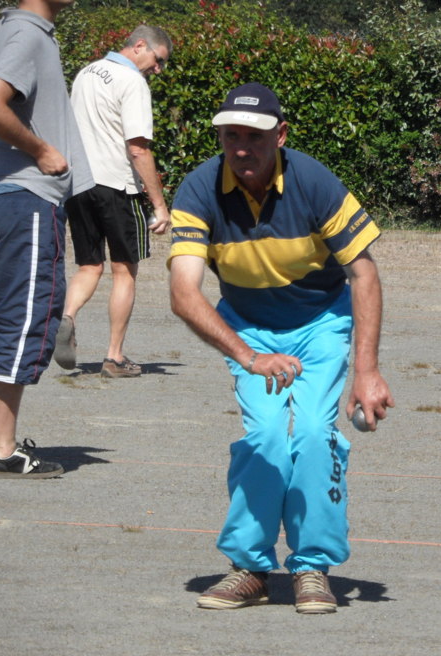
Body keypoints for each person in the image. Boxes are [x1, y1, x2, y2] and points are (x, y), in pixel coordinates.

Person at [168, 83, 395, 614]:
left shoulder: (315, 182)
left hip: (319, 321)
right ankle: (249, 568)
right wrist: (249, 357)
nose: (242, 147)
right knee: (267, 436)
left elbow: (363, 274)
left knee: (314, 432)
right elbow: (183, 293)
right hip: (248, 329)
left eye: (255, 136)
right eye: (231, 136)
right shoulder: (198, 189)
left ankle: (312, 566)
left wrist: (366, 371)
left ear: (281, 135)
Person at [0, 0, 93, 478]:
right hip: (27, 200)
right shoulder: (29, 35)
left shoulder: (11, 28)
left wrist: (8, 145)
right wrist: (38, 149)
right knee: (20, 322)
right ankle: (2, 450)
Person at [55, 26, 173, 378]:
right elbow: (138, 149)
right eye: (158, 60)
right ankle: (114, 357)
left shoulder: (87, 72)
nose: (158, 69)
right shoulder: (132, 81)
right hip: (116, 185)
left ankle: (67, 317)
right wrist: (159, 205)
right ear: (140, 46)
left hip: (79, 183)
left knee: (89, 266)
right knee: (125, 271)